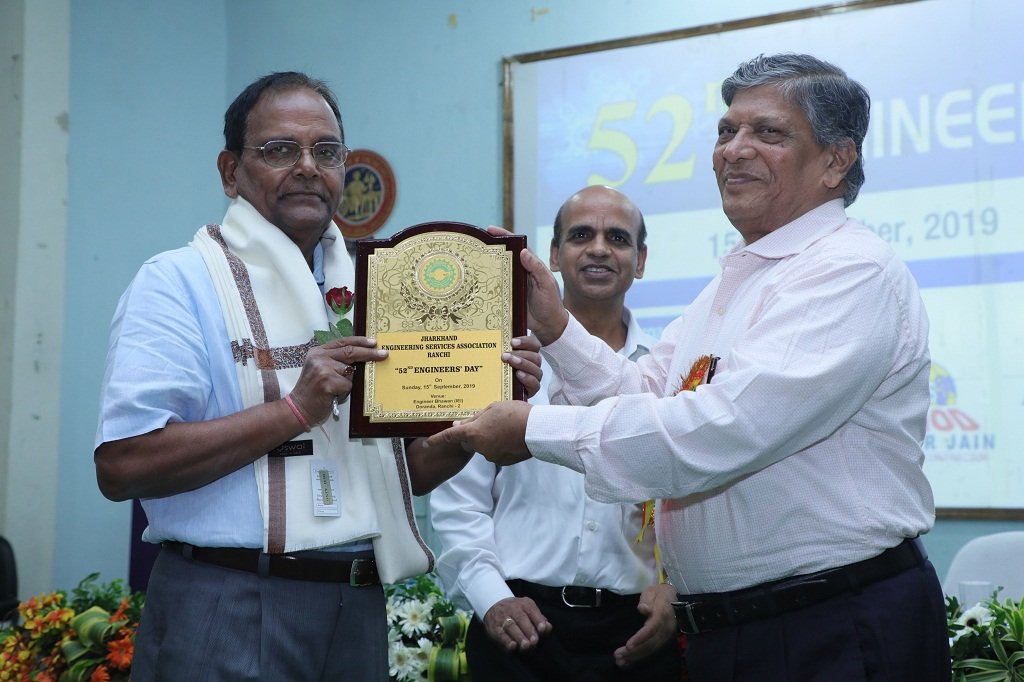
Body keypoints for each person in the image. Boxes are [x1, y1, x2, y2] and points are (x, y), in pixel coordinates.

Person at [426, 54, 950, 681]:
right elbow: (645, 390)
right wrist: (555, 326)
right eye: (727, 131)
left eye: (768, 133)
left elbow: (717, 430)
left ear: (837, 160)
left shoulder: (846, 269)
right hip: (738, 629)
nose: (735, 150)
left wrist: (532, 432)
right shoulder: (736, 281)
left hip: (830, 623)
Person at [93, 71, 541, 681]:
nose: (308, 166)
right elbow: (121, 467)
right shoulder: (176, 282)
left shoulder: (372, 289)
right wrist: (295, 409)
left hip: (354, 603)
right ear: (230, 171)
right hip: (228, 596)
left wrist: (478, 419)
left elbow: (402, 473)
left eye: (326, 152)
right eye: (280, 149)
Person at [429, 186, 681, 681]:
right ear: (553, 256)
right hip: (517, 626)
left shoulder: (667, 372)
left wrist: (677, 587)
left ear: (642, 259)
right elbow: (459, 504)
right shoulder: (500, 364)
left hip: (637, 634)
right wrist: (491, 598)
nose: (600, 248)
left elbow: (693, 494)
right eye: (581, 235)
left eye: (618, 238)